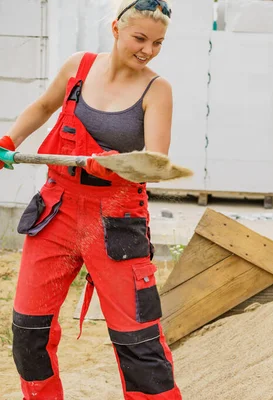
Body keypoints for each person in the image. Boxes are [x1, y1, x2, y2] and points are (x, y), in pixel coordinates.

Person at [0, 0, 182, 398]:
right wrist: (9, 141)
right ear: (116, 29)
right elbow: (45, 105)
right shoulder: (78, 67)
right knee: (29, 332)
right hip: (57, 211)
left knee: (139, 343)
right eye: (140, 38)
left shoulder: (158, 89)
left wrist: (114, 165)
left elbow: (155, 164)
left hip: (117, 220)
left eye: (157, 43)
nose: (148, 50)